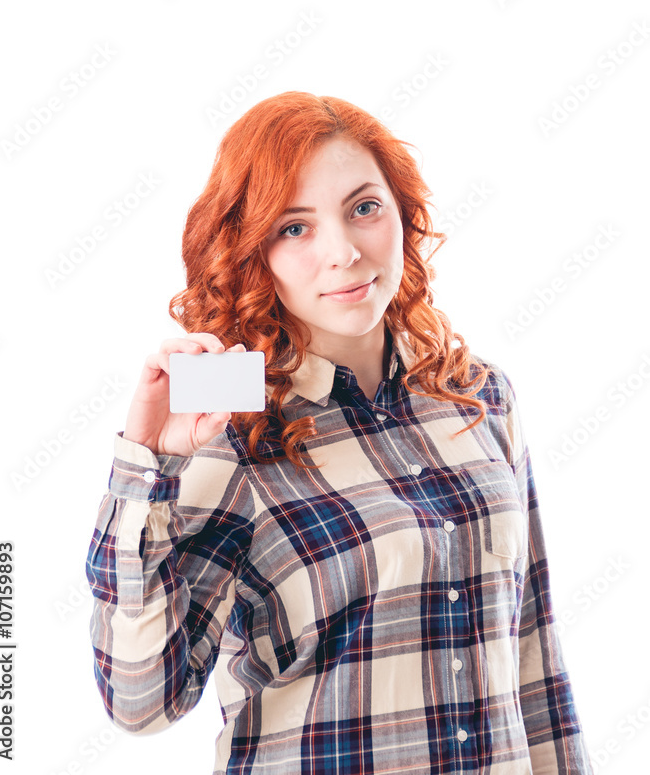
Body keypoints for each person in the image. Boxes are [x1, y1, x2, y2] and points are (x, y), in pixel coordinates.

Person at [86, 91, 593, 774]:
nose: (344, 252)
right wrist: (147, 469)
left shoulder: (479, 396)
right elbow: (143, 703)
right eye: (294, 228)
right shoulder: (228, 434)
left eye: (363, 208)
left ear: (403, 216)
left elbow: (532, 647)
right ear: (249, 248)